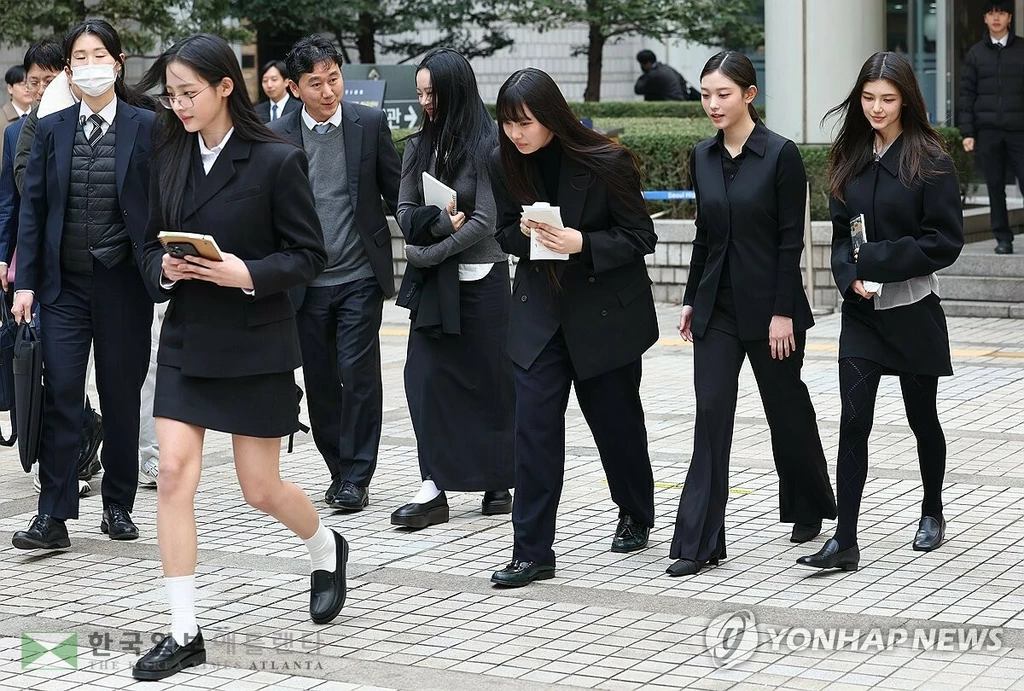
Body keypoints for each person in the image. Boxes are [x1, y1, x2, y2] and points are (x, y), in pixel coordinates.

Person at [131, 33, 341, 681]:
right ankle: (184, 628)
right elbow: (143, 248)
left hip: (256, 341)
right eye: (171, 95)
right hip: (189, 339)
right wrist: (163, 268)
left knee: (261, 489)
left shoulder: (277, 160)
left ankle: (326, 546)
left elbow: (309, 256)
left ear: (226, 86)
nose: (179, 105)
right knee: (171, 473)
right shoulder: (165, 152)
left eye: (189, 93)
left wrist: (244, 272)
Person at [668, 52, 837, 578]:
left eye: (722, 94)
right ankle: (698, 542)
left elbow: (791, 244)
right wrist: (692, 297)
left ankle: (809, 504)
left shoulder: (781, 155)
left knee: (786, 411)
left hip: (772, 313)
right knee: (710, 417)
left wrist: (783, 312)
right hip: (717, 309)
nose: (712, 104)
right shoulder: (701, 156)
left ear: (749, 94)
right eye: (705, 94)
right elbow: (705, 235)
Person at [488, 67, 658, 588]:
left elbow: (640, 237)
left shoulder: (606, 161)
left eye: (526, 122)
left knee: (616, 426)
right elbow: (502, 235)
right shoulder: (501, 163)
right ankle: (532, 550)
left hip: (603, 316)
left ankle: (635, 511)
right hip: (541, 318)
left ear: (552, 116)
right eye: (508, 124)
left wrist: (580, 243)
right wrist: (524, 235)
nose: (516, 134)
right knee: (534, 432)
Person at [797, 51, 964, 573]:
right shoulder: (850, 155)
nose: (876, 108)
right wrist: (849, 279)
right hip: (863, 316)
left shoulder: (930, 159)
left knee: (922, 419)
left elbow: (944, 241)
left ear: (907, 100)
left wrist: (878, 264)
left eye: (887, 100)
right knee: (853, 422)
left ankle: (932, 510)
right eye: (868, 98)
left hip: (913, 311)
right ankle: (844, 539)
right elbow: (842, 234)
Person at [11, 21, 160, 551]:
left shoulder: (149, 126)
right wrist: (24, 282)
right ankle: (52, 514)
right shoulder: (51, 128)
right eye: (81, 56)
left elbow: (162, 202)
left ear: (118, 64)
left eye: (101, 54)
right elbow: (34, 209)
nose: (92, 64)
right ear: (68, 70)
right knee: (63, 396)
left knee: (121, 397)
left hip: (123, 288)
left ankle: (118, 503)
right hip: (64, 288)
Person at [269, 35, 401, 512]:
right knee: (321, 380)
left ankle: (358, 475)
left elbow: (397, 190)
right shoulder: (279, 135)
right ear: (294, 87)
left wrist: (436, 226)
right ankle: (339, 470)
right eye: (315, 83)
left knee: (357, 373)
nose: (328, 91)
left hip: (359, 275)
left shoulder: (368, 123)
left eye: (334, 78)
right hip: (305, 282)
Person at [391, 48, 514, 529]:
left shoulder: (489, 144)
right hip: (435, 284)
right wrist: (436, 225)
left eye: (432, 94)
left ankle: (498, 479)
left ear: (455, 91)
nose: (424, 102)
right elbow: (402, 210)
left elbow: (486, 220)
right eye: (420, 93)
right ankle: (434, 484)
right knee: (425, 381)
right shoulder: (416, 145)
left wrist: (429, 250)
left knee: (490, 383)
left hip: (482, 280)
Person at [959, 0, 1024, 254]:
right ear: (985, 18)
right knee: (995, 186)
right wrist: (968, 132)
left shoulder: (1022, 49)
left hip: (1020, 130)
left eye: (1001, 12)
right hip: (988, 131)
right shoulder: (976, 54)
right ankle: (1003, 239)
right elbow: (966, 95)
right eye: (991, 13)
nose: (996, 17)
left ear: (1009, 17)